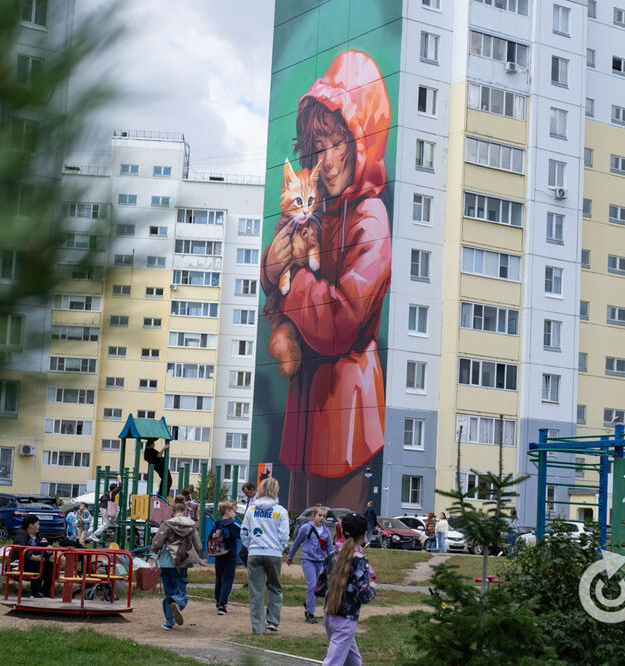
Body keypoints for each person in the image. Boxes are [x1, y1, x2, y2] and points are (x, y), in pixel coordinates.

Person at [261, 50, 393, 510]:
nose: (329, 159)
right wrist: (272, 266)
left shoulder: (370, 219)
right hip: (307, 412)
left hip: (347, 413)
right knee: (298, 524)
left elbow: (340, 321)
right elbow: (274, 260)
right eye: (319, 146)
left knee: (337, 529)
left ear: (363, 140)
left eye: (340, 142)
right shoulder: (320, 203)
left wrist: (290, 277)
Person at [315, 513, 376, 665]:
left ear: (341, 531)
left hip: (330, 615)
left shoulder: (332, 556)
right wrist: (372, 588)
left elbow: (320, 589)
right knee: (333, 662)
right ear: (364, 535)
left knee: (354, 661)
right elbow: (364, 595)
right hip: (346, 621)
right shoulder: (360, 560)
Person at [240, 477, 290, 634]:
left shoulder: (251, 509)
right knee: (275, 587)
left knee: (256, 591)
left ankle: (258, 627)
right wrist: (279, 549)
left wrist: (250, 547)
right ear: (276, 490)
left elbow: (244, 532)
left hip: (255, 552)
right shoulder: (281, 511)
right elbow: (284, 535)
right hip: (273, 553)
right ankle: (273, 621)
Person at [151, 501, 204, 630]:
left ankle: (169, 622)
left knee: (168, 593)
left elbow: (157, 542)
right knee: (180, 592)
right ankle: (177, 601)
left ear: (172, 512)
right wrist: (194, 555)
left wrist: (155, 549)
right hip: (182, 563)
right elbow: (198, 546)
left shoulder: (166, 524)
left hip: (166, 561)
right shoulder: (191, 526)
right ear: (185, 512)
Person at [286, 504, 334, 624]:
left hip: (321, 561)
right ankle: (309, 613)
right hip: (308, 560)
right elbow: (297, 543)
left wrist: (333, 561)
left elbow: (329, 548)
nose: (322, 518)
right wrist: (290, 556)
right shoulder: (306, 528)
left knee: (320, 587)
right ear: (313, 516)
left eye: (324, 516)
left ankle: (310, 604)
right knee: (312, 585)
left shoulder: (326, 530)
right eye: (319, 515)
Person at [210, 501, 242, 615]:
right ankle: (222, 604)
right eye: (234, 511)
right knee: (227, 579)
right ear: (228, 511)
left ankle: (218, 599)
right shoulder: (232, 525)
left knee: (219, 577)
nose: (235, 514)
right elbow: (243, 534)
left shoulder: (216, 524)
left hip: (218, 555)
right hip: (230, 555)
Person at [12, 515, 53, 598]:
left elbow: (45, 544)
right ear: (31, 525)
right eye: (37, 524)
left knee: (52, 567)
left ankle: (45, 591)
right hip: (22, 563)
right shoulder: (21, 534)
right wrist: (32, 557)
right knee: (39, 567)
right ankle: (35, 592)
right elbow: (21, 548)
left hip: (37, 560)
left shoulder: (38, 535)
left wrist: (49, 548)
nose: (39, 526)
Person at [239, 482, 257, 567]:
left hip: (254, 530)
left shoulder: (258, 501)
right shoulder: (251, 500)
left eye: (247, 493)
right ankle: (252, 568)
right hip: (248, 530)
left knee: (243, 552)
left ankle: (253, 568)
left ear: (252, 490)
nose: (246, 495)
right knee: (244, 552)